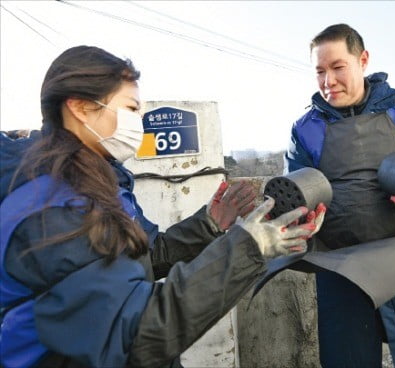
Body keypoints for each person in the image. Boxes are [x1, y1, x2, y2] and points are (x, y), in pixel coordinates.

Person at [0, 45, 323, 368]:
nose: (139, 122)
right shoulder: (49, 207)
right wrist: (249, 247)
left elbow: (144, 259)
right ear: (81, 108)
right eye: (130, 108)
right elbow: (131, 333)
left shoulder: (100, 179)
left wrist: (209, 225)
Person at [285, 24, 395, 368]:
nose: (328, 81)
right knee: (347, 358)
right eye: (319, 71)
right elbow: (296, 188)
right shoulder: (304, 127)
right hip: (341, 263)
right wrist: (300, 220)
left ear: (362, 60)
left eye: (338, 67)